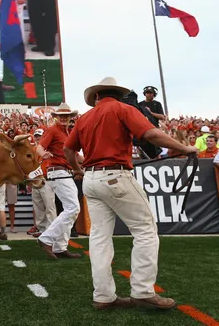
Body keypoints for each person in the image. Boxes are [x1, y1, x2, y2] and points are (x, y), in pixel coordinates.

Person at [63, 76, 198, 310]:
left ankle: (103, 297)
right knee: (145, 230)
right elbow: (151, 134)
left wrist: (77, 169)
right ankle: (143, 290)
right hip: (116, 176)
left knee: (99, 237)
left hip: (91, 179)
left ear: (96, 96)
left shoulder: (84, 118)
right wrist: (185, 148)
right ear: (118, 94)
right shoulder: (122, 109)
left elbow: (68, 148)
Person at [35, 103, 83, 259]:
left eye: (66, 116)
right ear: (56, 117)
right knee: (73, 208)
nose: (63, 118)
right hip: (58, 171)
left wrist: (93, 161)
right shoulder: (52, 130)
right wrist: (43, 154)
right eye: (61, 116)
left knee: (71, 209)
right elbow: (39, 148)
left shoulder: (68, 133)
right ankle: (46, 238)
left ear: (70, 118)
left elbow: (77, 156)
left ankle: (60, 247)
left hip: (64, 173)